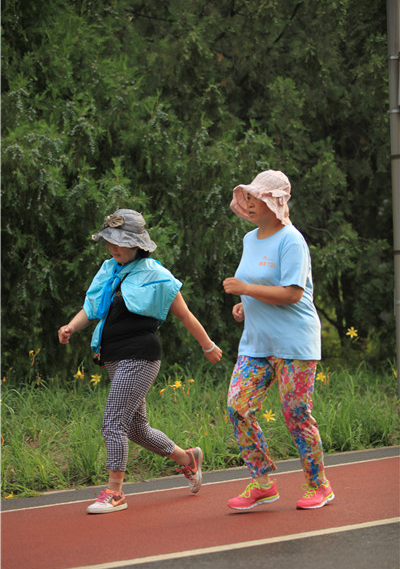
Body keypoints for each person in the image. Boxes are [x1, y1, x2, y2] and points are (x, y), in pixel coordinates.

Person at [58, 209, 222, 514]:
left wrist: (207, 345)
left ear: (139, 244)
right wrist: (70, 326)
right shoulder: (109, 270)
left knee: (113, 422)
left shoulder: (156, 275)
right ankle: (189, 459)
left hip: (140, 357)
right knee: (136, 429)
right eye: (109, 241)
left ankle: (115, 492)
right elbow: (92, 307)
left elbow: (184, 315)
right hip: (113, 359)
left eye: (120, 242)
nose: (113, 247)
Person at [222, 170, 334, 511]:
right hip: (256, 343)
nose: (251, 203)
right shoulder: (249, 240)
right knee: (238, 408)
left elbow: (292, 294)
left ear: (275, 202)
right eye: (249, 198)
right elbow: (259, 284)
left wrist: (246, 290)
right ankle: (263, 482)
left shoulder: (291, 240)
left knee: (296, 414)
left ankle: (319, 485)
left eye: (257, 198)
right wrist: (245, 304)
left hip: (294, 343)